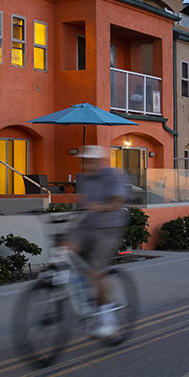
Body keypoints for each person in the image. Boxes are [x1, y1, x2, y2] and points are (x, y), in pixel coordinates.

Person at [63, 145, 131, 338]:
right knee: (64, 251)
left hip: (109, 228)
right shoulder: (83, 179)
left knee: (95, 273)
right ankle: (80, 291)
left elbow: (118, 201)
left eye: (90, 161)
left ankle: (109, 322)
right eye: (84, 161)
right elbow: (83, 205)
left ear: (99, 161)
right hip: (87, 226)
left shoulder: (111, 175)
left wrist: (101, 207)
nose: (86, 164)